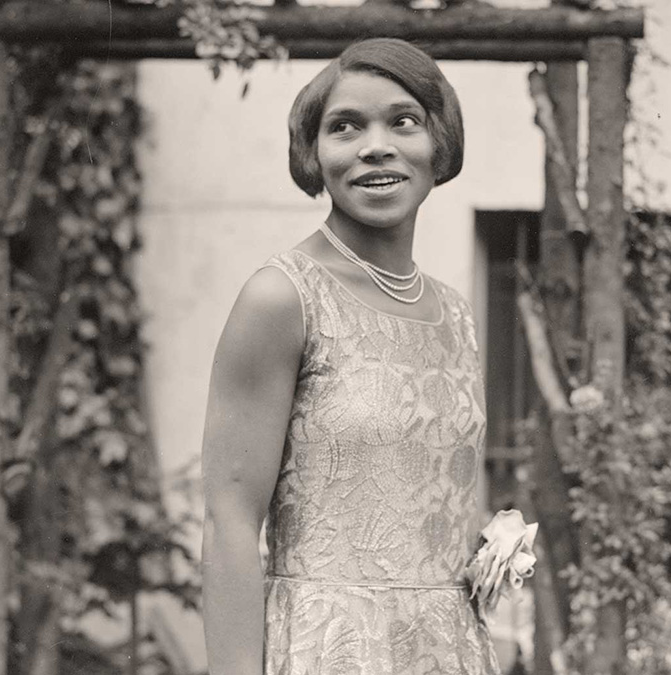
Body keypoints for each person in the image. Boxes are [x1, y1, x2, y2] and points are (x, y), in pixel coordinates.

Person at [200, 38, 500, 674]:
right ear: (313, 153)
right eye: (345, 127)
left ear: (440, 143)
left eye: (403, 121)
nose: (375, 146)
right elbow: (230, 520)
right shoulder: (282, 298)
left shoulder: (456, 314)